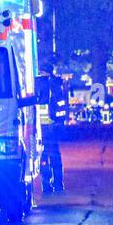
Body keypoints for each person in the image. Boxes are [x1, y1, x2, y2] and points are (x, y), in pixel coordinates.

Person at [37, 64, 69, 194]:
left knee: (44, 156)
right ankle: (57, 184)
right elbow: (61, 107)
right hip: (51, 127)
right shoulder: (56, 85)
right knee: (54, 156)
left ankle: (48, 185)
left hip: (43, 128)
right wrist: (59, 123)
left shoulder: (41, 85)